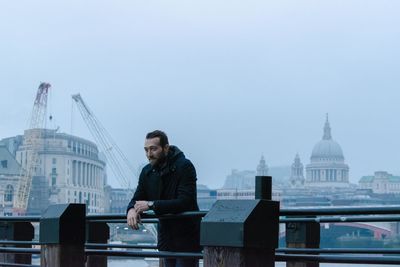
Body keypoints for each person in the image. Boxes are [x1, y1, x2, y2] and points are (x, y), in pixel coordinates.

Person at [127, 130, 201, 267]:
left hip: (186, 239)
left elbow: (185, 202)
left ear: (166, 148)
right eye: (146, 150)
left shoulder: (185, 166)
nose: (149, 154)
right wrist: (131, 209)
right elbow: (137, 197)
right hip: (166, 239)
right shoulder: (146, 172)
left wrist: (151, 204)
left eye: (153, 149)